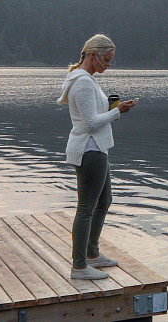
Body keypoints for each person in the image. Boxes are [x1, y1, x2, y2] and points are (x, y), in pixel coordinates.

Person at [56, 33, 137, 280]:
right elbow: (90, 123)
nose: (109, 65)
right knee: (86, 208)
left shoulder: (88, 79)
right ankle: (79, 266)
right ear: (93, 55)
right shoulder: (82, 82)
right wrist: (117, 112)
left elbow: (94, 115)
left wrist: (113, 109)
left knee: (104, 201)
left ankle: (92, 253)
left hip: (98, 148)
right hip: (88, 149)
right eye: (107, 59)